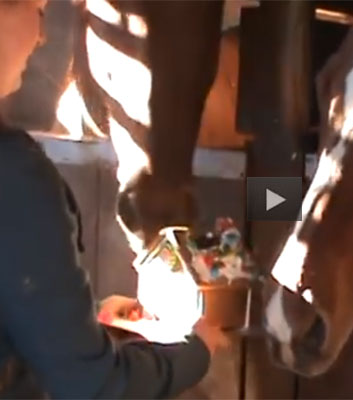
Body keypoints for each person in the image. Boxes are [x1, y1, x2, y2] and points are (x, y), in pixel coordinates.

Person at [0, 0, 229, 397]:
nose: (42, 35)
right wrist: (195, 352)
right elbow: (93, 386)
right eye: (39, 10)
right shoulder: (15, 177)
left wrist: (74, 320)